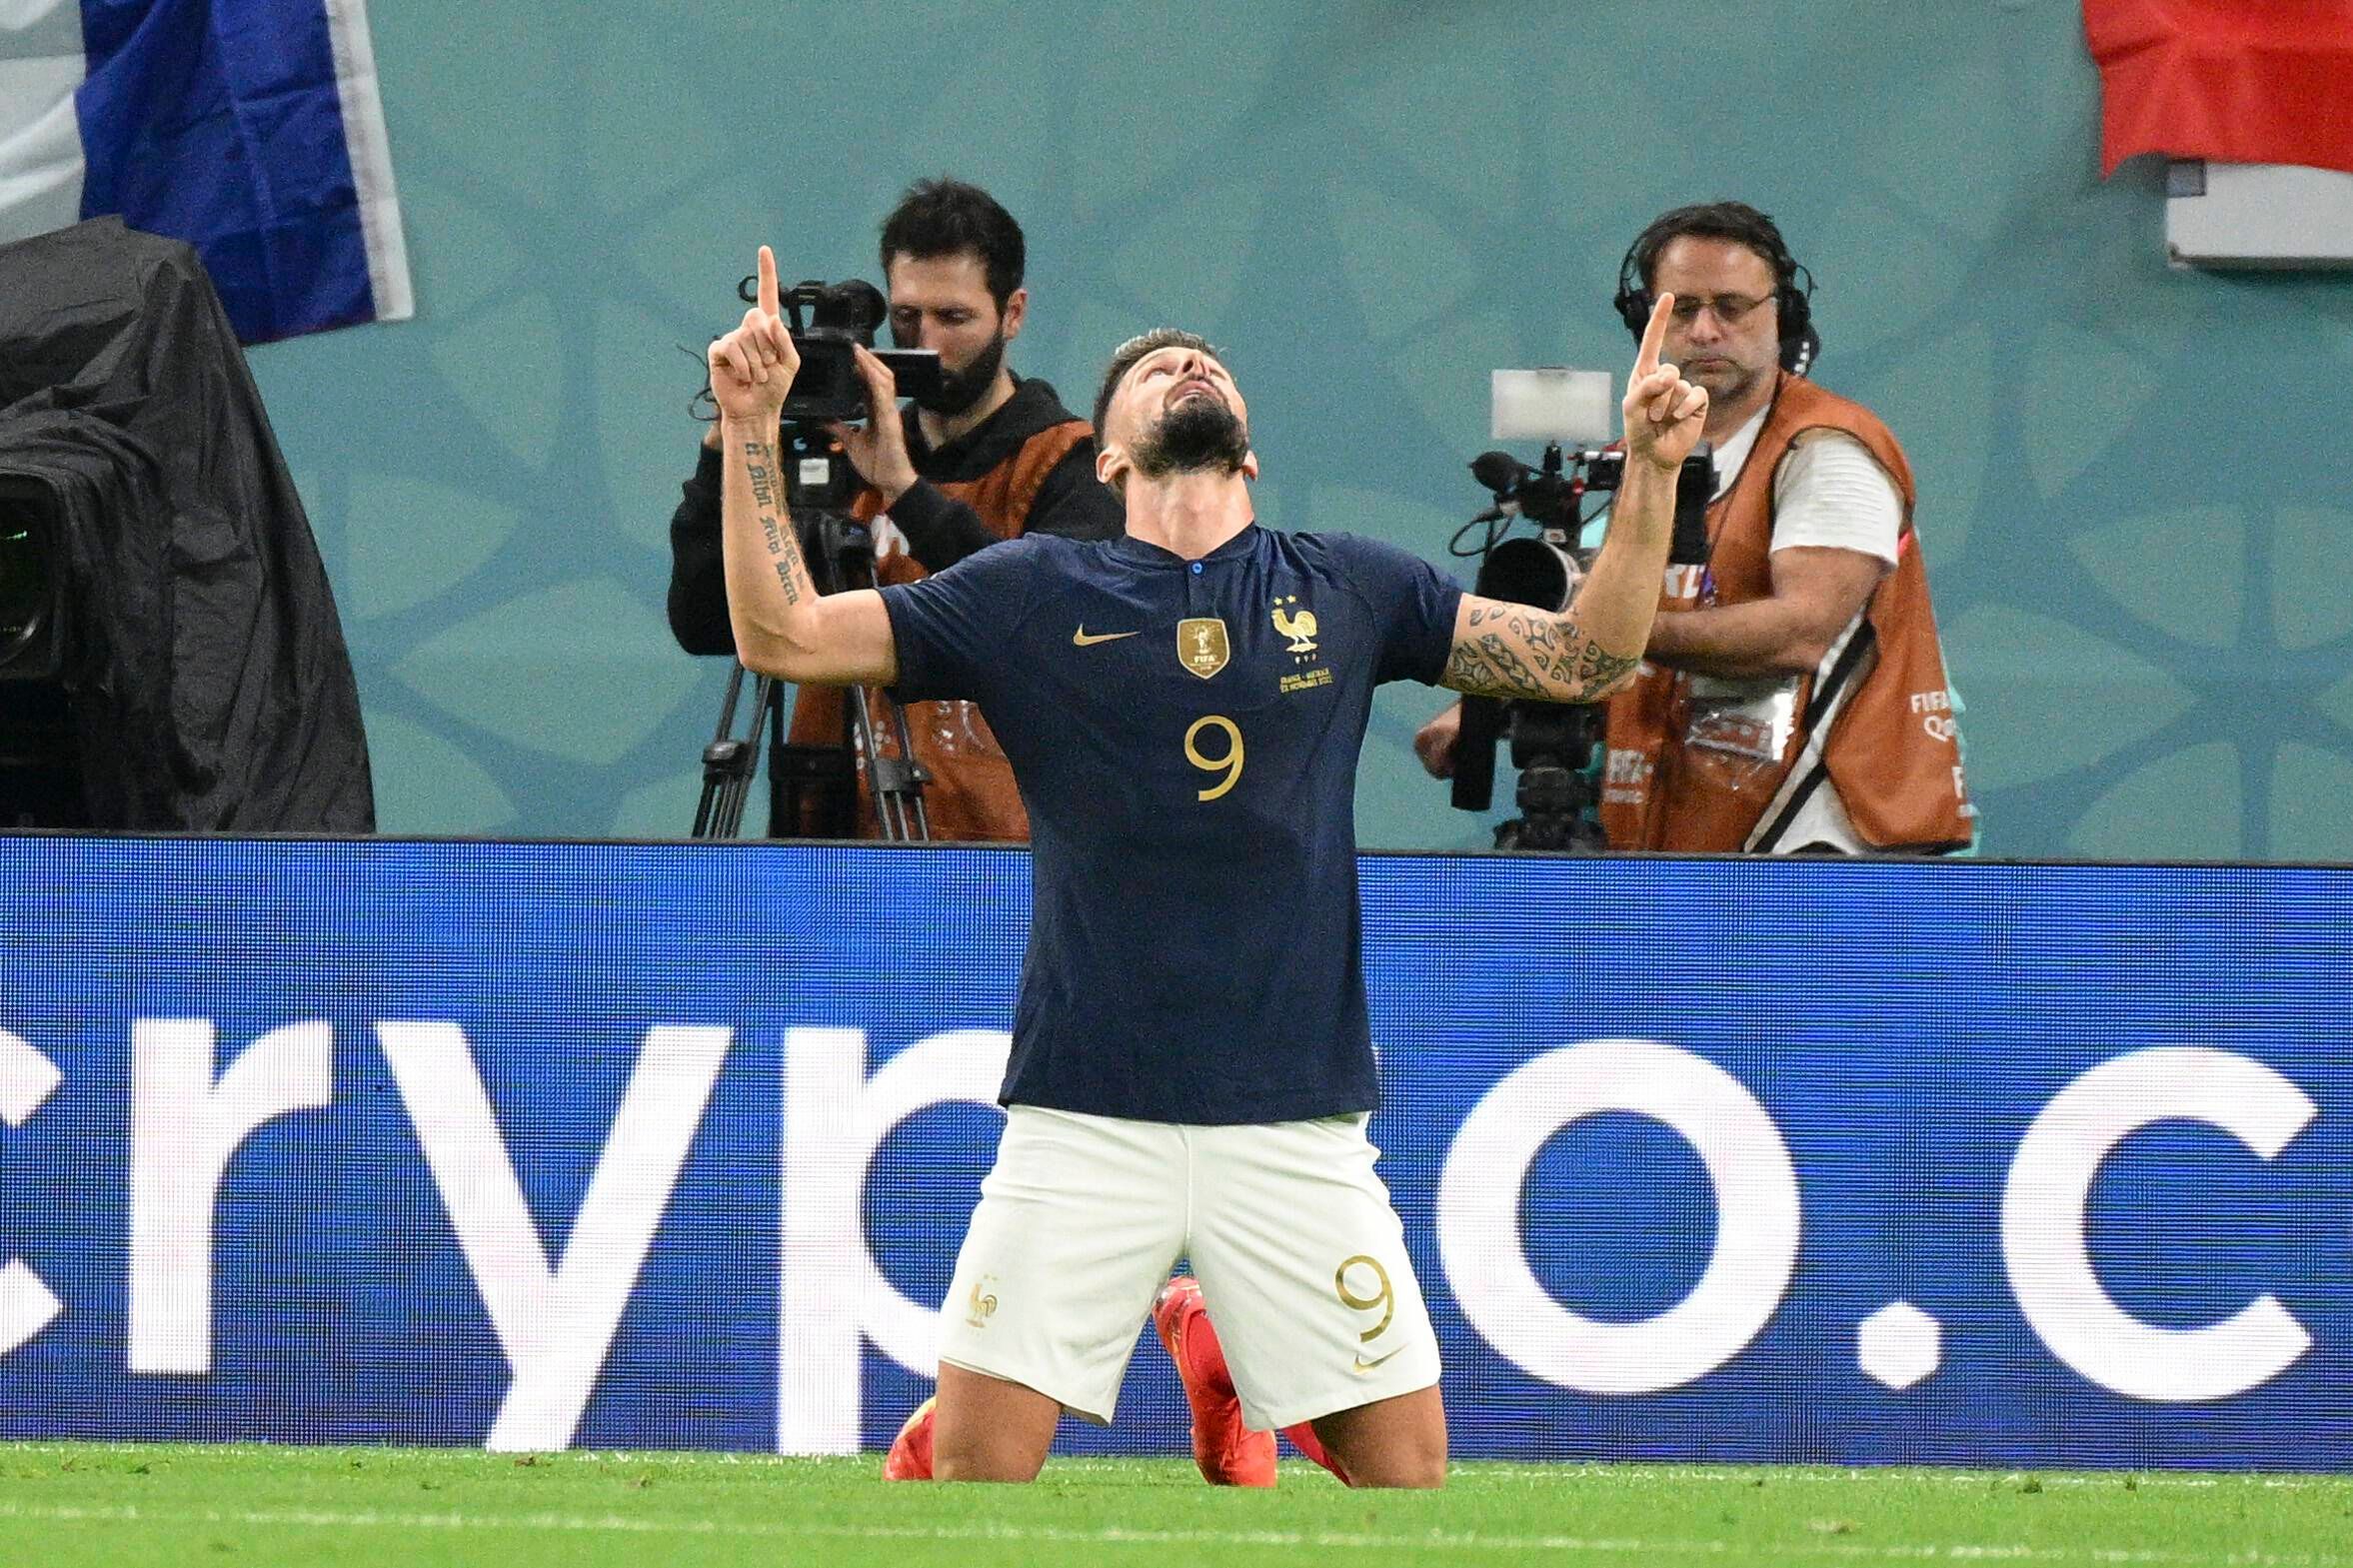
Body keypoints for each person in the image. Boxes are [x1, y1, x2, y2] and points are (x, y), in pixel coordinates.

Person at [706, 246, 1708, 1485]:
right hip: (1084, 1113)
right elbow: (783, 633)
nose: (1184, 362)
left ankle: (1224, 1351)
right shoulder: (1027, 589)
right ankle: (1152, 1357)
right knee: (969, 1492)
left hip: (1291, 1112)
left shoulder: (1346, 584)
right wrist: (752, 429)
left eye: (1206, 364)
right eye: (1150, 369)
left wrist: (1653, 474)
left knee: (1405, 1490)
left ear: (1247, 453)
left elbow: (1582, 661)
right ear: (1108, 457)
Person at [1415, 202, 1975, 854]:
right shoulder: (1641, 456)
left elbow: (1799, 632)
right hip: (1691, 839)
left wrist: (1597, 639)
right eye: (1681, 309)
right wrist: (1508, 699)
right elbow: (1595, 611)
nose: (1706, 330)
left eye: (1732, 307)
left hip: (1826, 841)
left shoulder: (1831, 451)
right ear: (1644, 319)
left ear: (1782, 316)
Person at [667, 178, 1122, 839]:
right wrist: (733, 438)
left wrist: (906, 493)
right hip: (833, 852)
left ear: (1013, 313)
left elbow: (1047, 625)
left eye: (954, 317)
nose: (927, 341)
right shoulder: (841, 450)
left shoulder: (1071, 462)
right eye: (907, 318)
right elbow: (707, 622)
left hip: (998, 862)